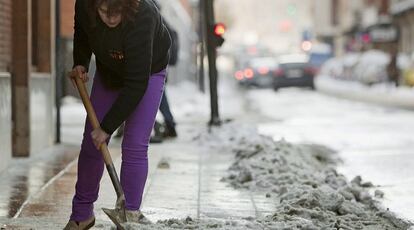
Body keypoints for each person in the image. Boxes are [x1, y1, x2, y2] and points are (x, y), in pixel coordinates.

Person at [64, 0, 171, 229]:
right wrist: (81, 62)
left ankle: (129, 216)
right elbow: (82, 30)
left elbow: (136, 85)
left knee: (134, 144)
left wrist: (107, 127)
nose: (111, 18)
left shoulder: (144, 14)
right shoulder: (85, 5)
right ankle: (82, 214)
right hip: (109, 71)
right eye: (104, 11)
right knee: (91, 143)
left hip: (147, 73)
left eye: (117, 12)